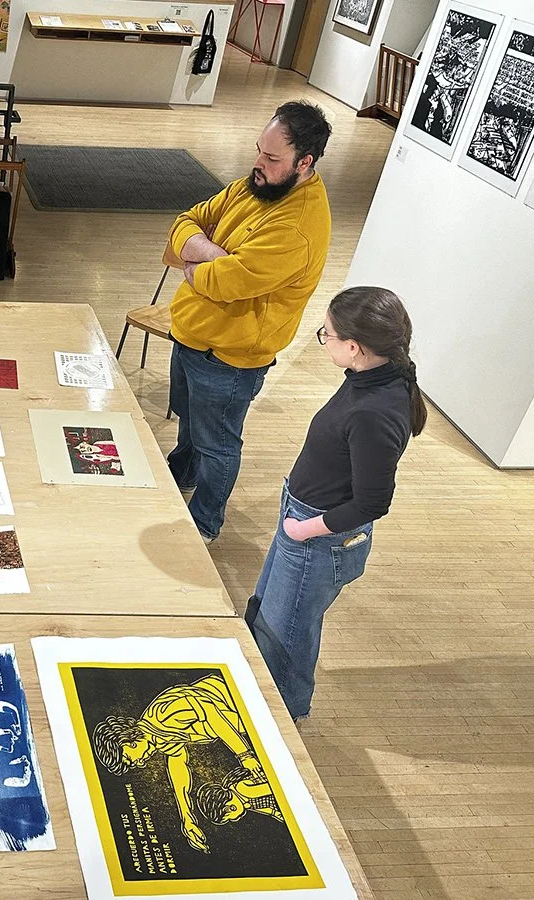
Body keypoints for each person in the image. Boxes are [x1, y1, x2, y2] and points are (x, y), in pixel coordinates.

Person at [246, 286, 426, 721]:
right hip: (303, 520)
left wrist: (301, 530)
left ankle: (281, 720)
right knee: (265, 619)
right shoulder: (371, 379)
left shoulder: (374, 411)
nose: (322, 340)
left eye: (326, 334)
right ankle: (257, 699)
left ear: (354, 347)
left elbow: (372, 502)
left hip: (316, 536)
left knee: (285, 638)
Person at [165, 100, 333, 543]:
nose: (258, 163)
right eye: (259, 149)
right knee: (189, 422)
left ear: (305, 163)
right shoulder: (254, 185)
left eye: (272, 158)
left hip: (230, 357)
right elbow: (186, 221)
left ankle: (204, 524)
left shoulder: (297, 225)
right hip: (193, 333)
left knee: (217, 444)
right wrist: (210, 253)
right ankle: (178, 476)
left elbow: (226, 280)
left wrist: (197, 259)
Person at [92, 674, 265, 853]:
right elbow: (177, 764)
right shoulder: (158, 738)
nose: (139, 763)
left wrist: (245, 756)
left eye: (130, 759)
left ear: (128, 741)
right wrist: (187, 817)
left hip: (244, 695)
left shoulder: (162, 714)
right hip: (246, 719)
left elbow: (211, 712)